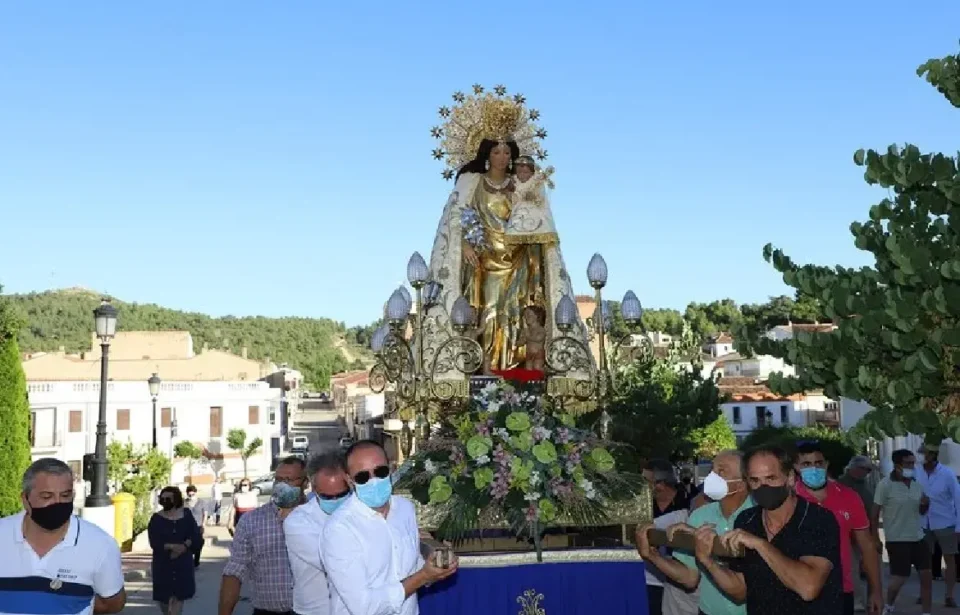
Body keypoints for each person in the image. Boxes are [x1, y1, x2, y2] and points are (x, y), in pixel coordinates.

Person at [699, 446, 844, 614]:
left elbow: (808, 588)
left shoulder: (817, 519)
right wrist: (707, 561)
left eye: (771, 478)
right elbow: (740, 590)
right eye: (755, 480)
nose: (763, 487)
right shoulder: (747, 520)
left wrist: (761, 545)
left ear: (789, 478)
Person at [321, 440, 458, 615]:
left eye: (380, 472)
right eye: (363, 477)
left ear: (391, 469)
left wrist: (435, 566)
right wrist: (423, 576)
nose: (374, 481)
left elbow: (410, 567)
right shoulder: (339, 530)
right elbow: (364, 607)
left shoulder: (405, 509)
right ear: (349, 481)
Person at [0, 458, 126, 615]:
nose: (57, 503)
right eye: (47, 496)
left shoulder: (101, 545)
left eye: (65, 496)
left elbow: (112, 603)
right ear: (25, 499)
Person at [636, 450, 752, 615]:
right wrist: (652, 556)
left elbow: (743, 590)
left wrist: (708, 552)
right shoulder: (700, 515)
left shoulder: (759, 516)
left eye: (721, 471)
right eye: (712, 470)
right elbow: (689, 578)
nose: (712, 476)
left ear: (741, 483)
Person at [793, 441, 883, 615]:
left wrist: (876, 591)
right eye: (806, 464)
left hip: (841, 590)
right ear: (796, 467)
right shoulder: (788, 499)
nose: (813, 468)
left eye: (818, 463)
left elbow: (867, 547)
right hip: (796, 590)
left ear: (826, 464)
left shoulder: (849, 497)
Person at [219, 456, 308, 615]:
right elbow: (235, 570)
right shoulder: (252, 521)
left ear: (305, 483)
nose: (282, 485)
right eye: (278, 479)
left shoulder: (317, 517)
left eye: (289, 480)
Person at [284, 451, 351, 615]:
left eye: (342, 494)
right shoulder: (297, 522)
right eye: (327, 496)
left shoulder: (359, 510)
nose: (335, 500)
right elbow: (335, 561)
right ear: (314, 488)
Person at [873, 449, 932, 615]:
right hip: (897, 539)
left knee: (926, 577)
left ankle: (926, 613)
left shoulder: (916, 484)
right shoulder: (885, 485)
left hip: (918, 537)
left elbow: (921, 511)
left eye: (913, 463)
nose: (912, 466)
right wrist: (875, 538)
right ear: (897, 465)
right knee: (900, 578)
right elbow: (875, 513)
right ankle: (889, 605)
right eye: (908, 463)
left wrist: (925, 504)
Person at [640, 459, 699, 615]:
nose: (642, 486)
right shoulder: (642, 507)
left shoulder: (689, 503)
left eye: (646, 481)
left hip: (681, 584)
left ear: (660, 484)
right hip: (651, 579)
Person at [915, 443, 960, 607]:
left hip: (945, 522)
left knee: (950, 559)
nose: (921, 456)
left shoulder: (947, 474)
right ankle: (923, 593)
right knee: (924, 561)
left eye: (924, 453)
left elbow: (958, 499)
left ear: (933, 455)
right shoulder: (916, 472)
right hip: (923, 522)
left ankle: (949, 595)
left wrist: (959, 526)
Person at [149, 486, 200, 615]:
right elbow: (154, 542)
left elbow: (194, 535)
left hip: (182, 563)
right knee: (165, 600)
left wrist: (184, 546)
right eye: (163, 498)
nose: (165, 501)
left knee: (178, 597)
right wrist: (171, 546)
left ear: (176, 500)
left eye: (168, 499)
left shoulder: (186, 515)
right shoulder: (156, 519)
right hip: (163, 564)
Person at [838, 456, 879, 612]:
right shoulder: (841, 485)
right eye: (865, 469)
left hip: (865, 535)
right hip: (848, 537)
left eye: (869, 470)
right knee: (852, 571)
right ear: (854, 468)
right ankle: (857, 602)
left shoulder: (865, 485)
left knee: (872, 570)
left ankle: (871, 601)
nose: (867, 473)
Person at [517, 304, 546, 372]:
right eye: (525, 316)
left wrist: (528, 336)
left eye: (529, 315)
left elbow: (539, 338)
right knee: (528, 368)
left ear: (536, 316)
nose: (526, 317)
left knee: (537, 367)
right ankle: (530, 380)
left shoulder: (540, 329)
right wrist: (517, 342)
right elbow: (522, 342)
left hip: (538, 353)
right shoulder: (526, 330)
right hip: (529, 354)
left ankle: (541, 376)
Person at [183, 485, 207, 567]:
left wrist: (203, 525)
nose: (191, 497)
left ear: (195, 493)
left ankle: (196, 560)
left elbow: (205, 513)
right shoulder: (184, 503)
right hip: (187, 526)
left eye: (192, 495)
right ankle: (189, 559)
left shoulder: (201, 502)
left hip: (198, 526)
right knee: (187, 543)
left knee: (198, 543)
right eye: (189, 495)